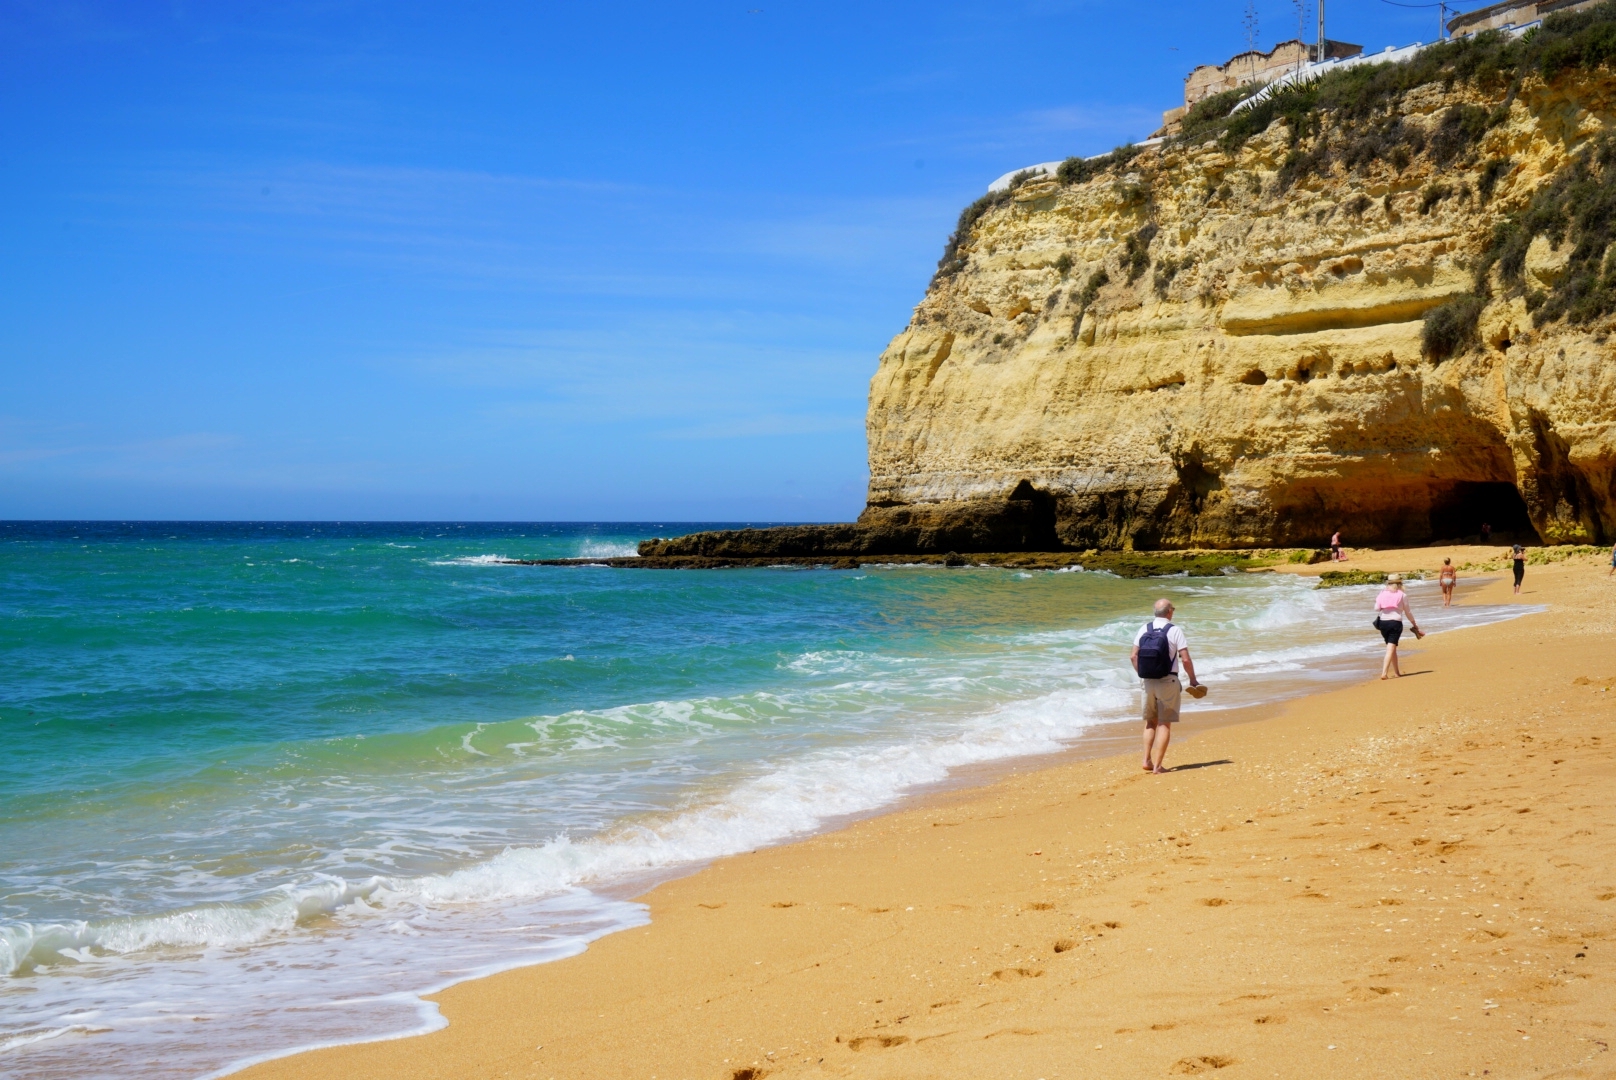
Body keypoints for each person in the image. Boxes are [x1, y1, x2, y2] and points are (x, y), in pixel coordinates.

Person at [1130, 598, 1200, 775]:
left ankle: (1146, 760)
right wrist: (1193, 680)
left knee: (1150, 723)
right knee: (1164, 724)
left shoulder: (1144, 628)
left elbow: (1133, 656)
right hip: (1168, 682)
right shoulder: (1174, 630)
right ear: (1169, 612)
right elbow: (1185, 659)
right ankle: (1158, 766)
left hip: (1147, 682)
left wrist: (1142, 675)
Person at [1373, 573, 1423, 680]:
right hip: (1395, 622)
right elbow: (1408, 612)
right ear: (1400, 583)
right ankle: (1384, 673)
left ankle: (1396, 672)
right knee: (1391, 648)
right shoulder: (1402, 595)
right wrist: (1414, 624)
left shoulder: (1381, 593)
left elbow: (1376, 608)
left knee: (1392, 647)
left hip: (1382, 622)